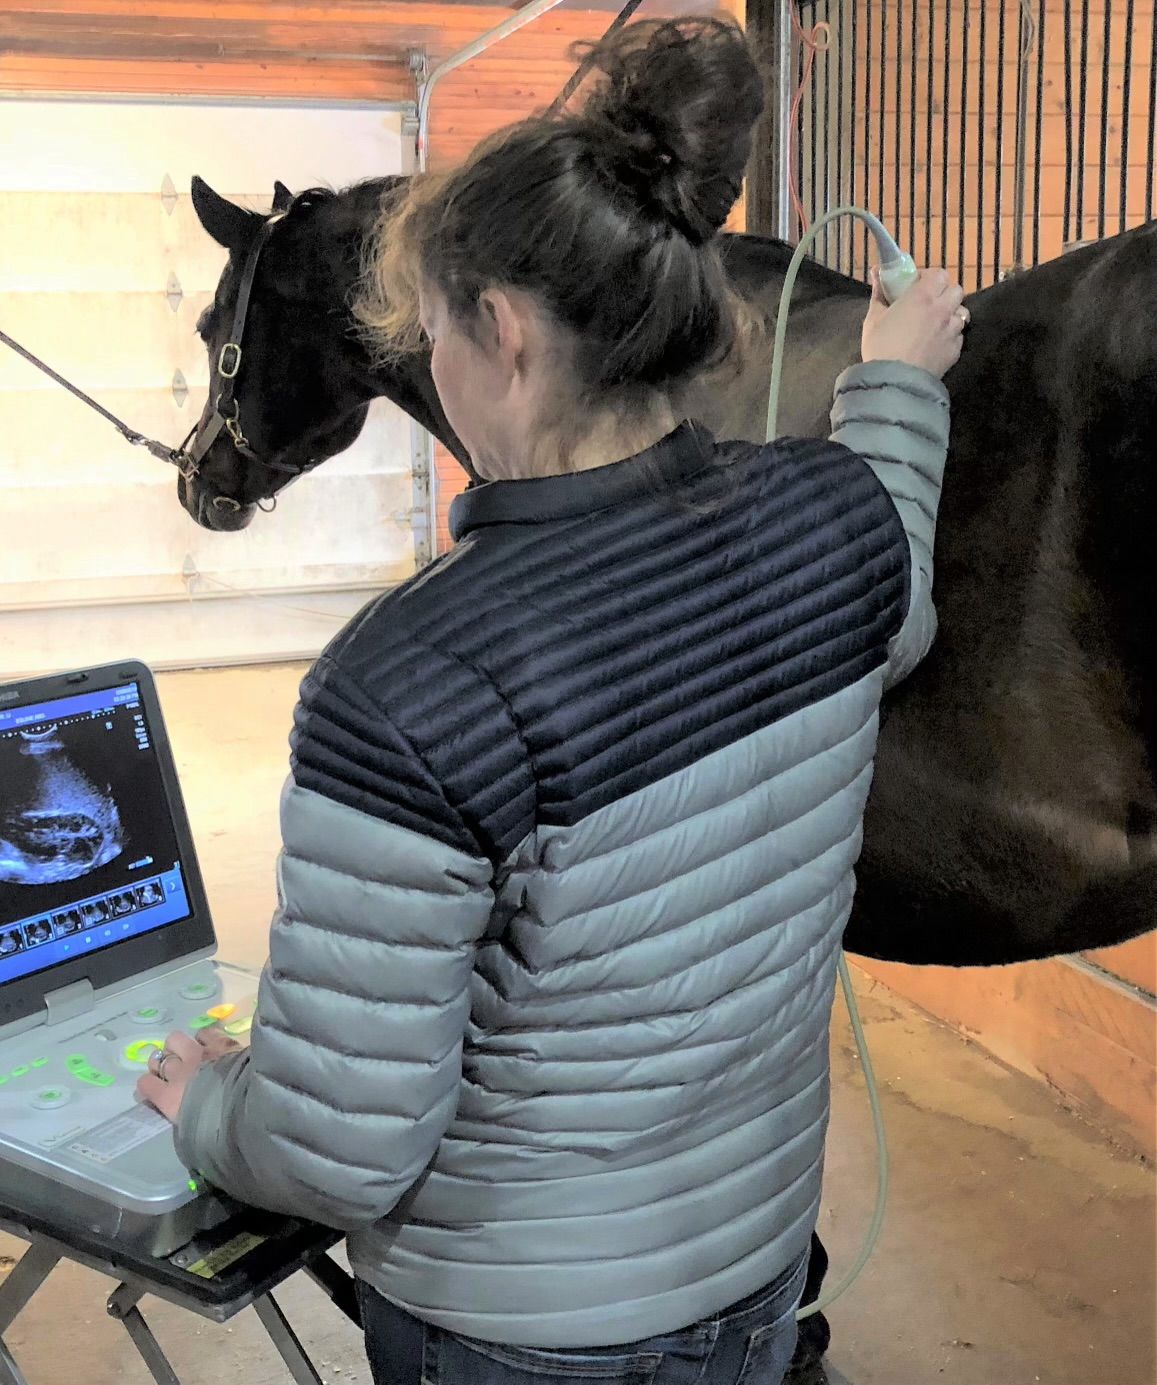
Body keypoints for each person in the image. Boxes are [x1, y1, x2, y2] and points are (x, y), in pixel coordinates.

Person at [137, 18, 966, 1385]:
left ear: (504, 331)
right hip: (755, 1279)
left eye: (429, 329)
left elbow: (337, 1148)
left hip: (521, 1335)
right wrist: (897, 380)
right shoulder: (835, 527)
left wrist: (211, 1108)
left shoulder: (405, 683)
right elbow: (899, 563)